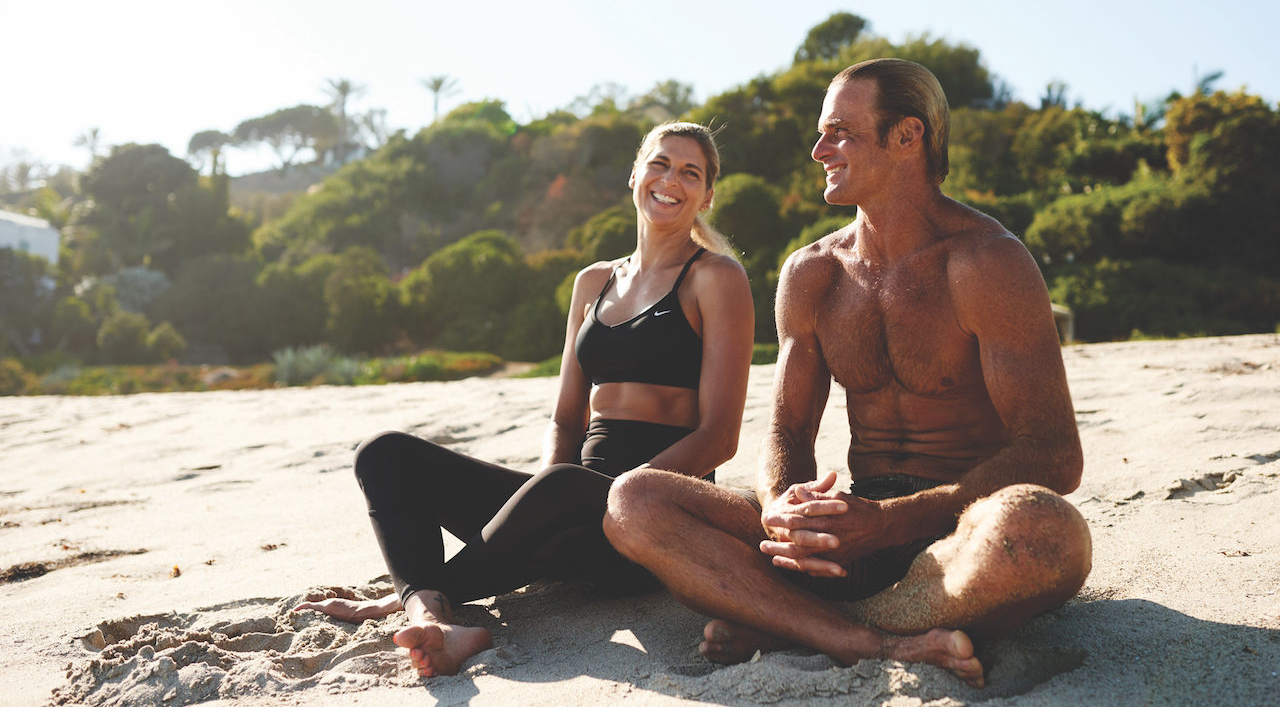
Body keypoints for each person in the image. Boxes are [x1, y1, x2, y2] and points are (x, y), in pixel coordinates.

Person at [603, 59, 1091, 689]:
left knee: (1044, 529)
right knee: (634, 497)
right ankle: (854, 635)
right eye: (821, 132)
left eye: (839, 132)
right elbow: (787, 433)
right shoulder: (813, 273)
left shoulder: (986, 262)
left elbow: (1053, 454)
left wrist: (890, 522)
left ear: (907, 136)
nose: (818, 150)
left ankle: (803, 623)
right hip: (846, 527)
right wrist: (784, 505)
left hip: (953, 530)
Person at [295, 121, 754, 678]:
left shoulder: (715, 278)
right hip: (571, 508)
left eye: (690, 173)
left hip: (654, 522)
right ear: (635, 174)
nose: (670, 180)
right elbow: (566, 418)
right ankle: (437, 612)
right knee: (383, 452)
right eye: (659, 164)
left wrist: (614, 498)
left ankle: (422, 599)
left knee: (563, 488)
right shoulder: (594, 282)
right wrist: (541, 506)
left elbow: (719, 437)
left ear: (707, 196)